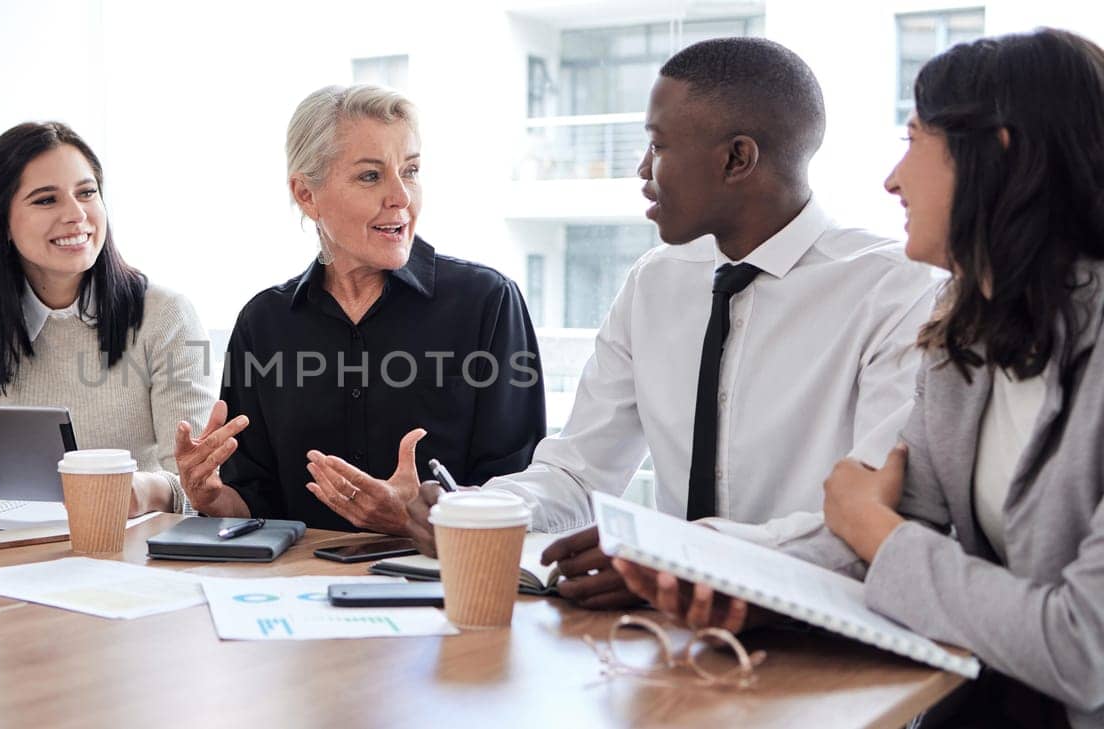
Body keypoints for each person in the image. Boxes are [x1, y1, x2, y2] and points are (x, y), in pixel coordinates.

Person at [617, 28, 1104, 728]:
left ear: (996, 154)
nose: (892, 179)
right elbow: (887, 525)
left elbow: (1083, 648)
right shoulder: (963, 331)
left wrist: (876, 528)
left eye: (914, 141)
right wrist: (716, 572)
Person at [403, 38, 940, 608]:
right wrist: (477, 509)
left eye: (657, 145)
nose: (641, 168)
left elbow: (874, 522)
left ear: (737, 159)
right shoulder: (653, 283)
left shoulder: (895, 288)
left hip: (818, 638)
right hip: (665, 634)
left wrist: (681, 554)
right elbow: (581, 473)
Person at [173, 84, 546, 534]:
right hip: (293, 588)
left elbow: (519, 496)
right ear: (307, 195)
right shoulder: (264, 324)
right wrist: (212, 497)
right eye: (371, 176)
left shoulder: (488, 302)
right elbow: (254, 504)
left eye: (410, 171)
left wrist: (415, 521)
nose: (401, 197)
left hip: (443, 587)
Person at [0, 121, 216, 518]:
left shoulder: (167, 315)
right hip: (17, 545)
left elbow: (201, 486)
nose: (76, 215)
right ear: (2, 220)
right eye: (45, 200)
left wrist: (146, 490)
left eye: (87, 193)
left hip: (133, 548)